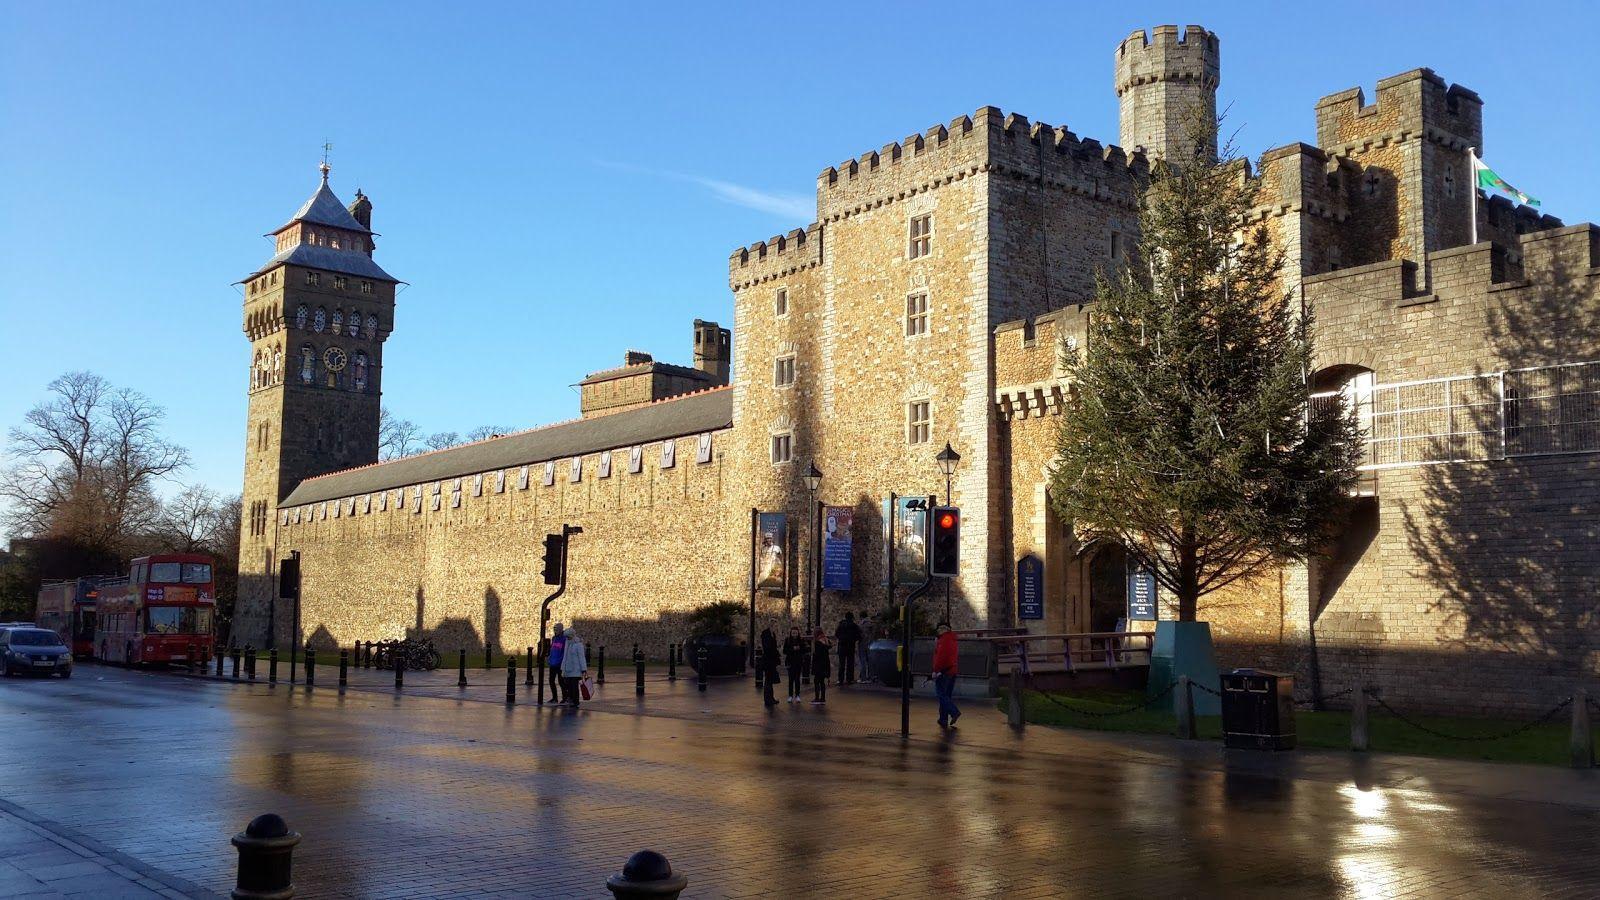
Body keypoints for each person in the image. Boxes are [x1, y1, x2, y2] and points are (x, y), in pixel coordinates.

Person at [932, 622, 960, 728]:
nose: (938, 631)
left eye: (939, 629)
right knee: (946, 695)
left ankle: (954, 712)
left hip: (943, 672)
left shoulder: (943, 640)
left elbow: (941, 657)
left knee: (941, 695)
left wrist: (935, 670)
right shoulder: (953, 639)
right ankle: (943, 719)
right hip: (952, 670)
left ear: (943, 629)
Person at [559, 625, 587, 708]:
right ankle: (570, 699)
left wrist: (583, 669)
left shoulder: (578, 645)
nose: (567, 639)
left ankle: (575, 701)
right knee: (568, 686)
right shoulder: (567, 644)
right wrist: (562, 667)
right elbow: (565, 657)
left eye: (568, 637)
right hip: (568, 669)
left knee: (574, 687)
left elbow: (582, 657)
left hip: (576, 670)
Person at [834, 612, 862, 685]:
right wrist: (853, 640)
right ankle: (849, 679)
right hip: (850, 646)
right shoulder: (854, 626)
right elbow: (859, 635)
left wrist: (841, 639)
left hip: (842, 645)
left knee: (841, 664)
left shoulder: (841, 624)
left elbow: (836, 633)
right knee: (850, 663)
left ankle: (840, 680)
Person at [782, 625, 807, 702]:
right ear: (791, 633)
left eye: (796, 633)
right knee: (790, 679)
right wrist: (793, 649)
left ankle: (797, 695)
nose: (794, 634)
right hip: (790, 661)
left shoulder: (801, 640)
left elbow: (804, 650)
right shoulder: (787, 640)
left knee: (797, 679)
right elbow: (784, 651)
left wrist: (800, 648)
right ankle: (790, 696)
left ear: (798, 633)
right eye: (793, 633)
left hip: (798, 662)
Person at [759, 623, 780, 708]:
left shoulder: (772, 634)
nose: (775, 627)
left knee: (770, 680)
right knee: (768, 680)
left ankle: (771, 698)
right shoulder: (766, 634)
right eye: (774, 625)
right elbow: (767, 647)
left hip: (772, 660)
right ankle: (768, 699)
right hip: (768, 660)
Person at [811, 628, 832, 704]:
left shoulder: (817, 643)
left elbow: (817, 655)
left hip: (818, 665)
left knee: (816, 681)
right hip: (825, 664)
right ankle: (822, 698)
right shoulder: (825, 640)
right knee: (822, 682)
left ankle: (817, 698)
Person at [547, 622, 566, 704]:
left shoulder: (564, 639)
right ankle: (554, 698)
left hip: (560, 663)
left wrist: (561, 660)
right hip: (553, 663)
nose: (555, 631)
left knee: (561, 681)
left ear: (561, 630)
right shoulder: (554, 638)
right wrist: (549, 658)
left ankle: (564, 698)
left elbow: (564, 652)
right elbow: (552, 649)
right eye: (554, 629)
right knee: (551, 680)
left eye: (556, 629)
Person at [857, 611, 875, 683]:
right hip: (871, 643)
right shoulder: (872, 623)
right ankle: (871, 676)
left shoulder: (861, 624)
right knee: (870, 661)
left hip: (862, 643)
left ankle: (863, 678)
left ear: (861, 616)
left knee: (862, 661)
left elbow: (859, 633)